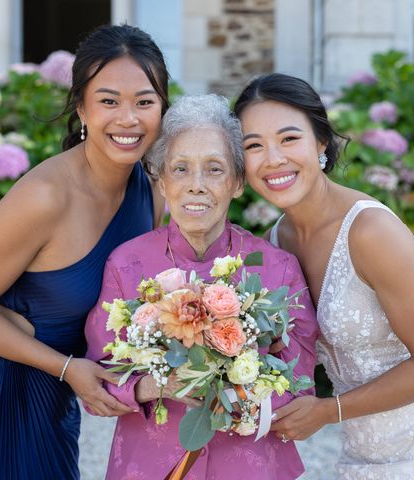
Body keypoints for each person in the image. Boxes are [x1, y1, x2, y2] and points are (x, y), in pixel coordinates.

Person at [0, 24, 169, 479]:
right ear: (81, 108)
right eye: (109, 101)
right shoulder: (44, 196)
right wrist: (67, 368)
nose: (128, 119)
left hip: (55, 402)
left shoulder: (153, 194)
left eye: (144, 102)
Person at [233, 73, 414, 479]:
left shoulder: (371, 232)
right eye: (254, 146)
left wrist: (327, 411)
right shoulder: (274, 245)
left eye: (289, 139)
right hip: (362, 457)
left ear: (321, 142)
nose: (273, 159)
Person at [84, 94, 319, 479]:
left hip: (249, 467)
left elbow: (301, 383)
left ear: (238, 182)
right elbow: (98, 382)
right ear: (159, 179)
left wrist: (236, 391)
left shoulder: (277, 268)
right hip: (150, 465)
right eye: (180, 169)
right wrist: (158, 385)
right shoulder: (127, 264)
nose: (196, 185)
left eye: (214, 169)